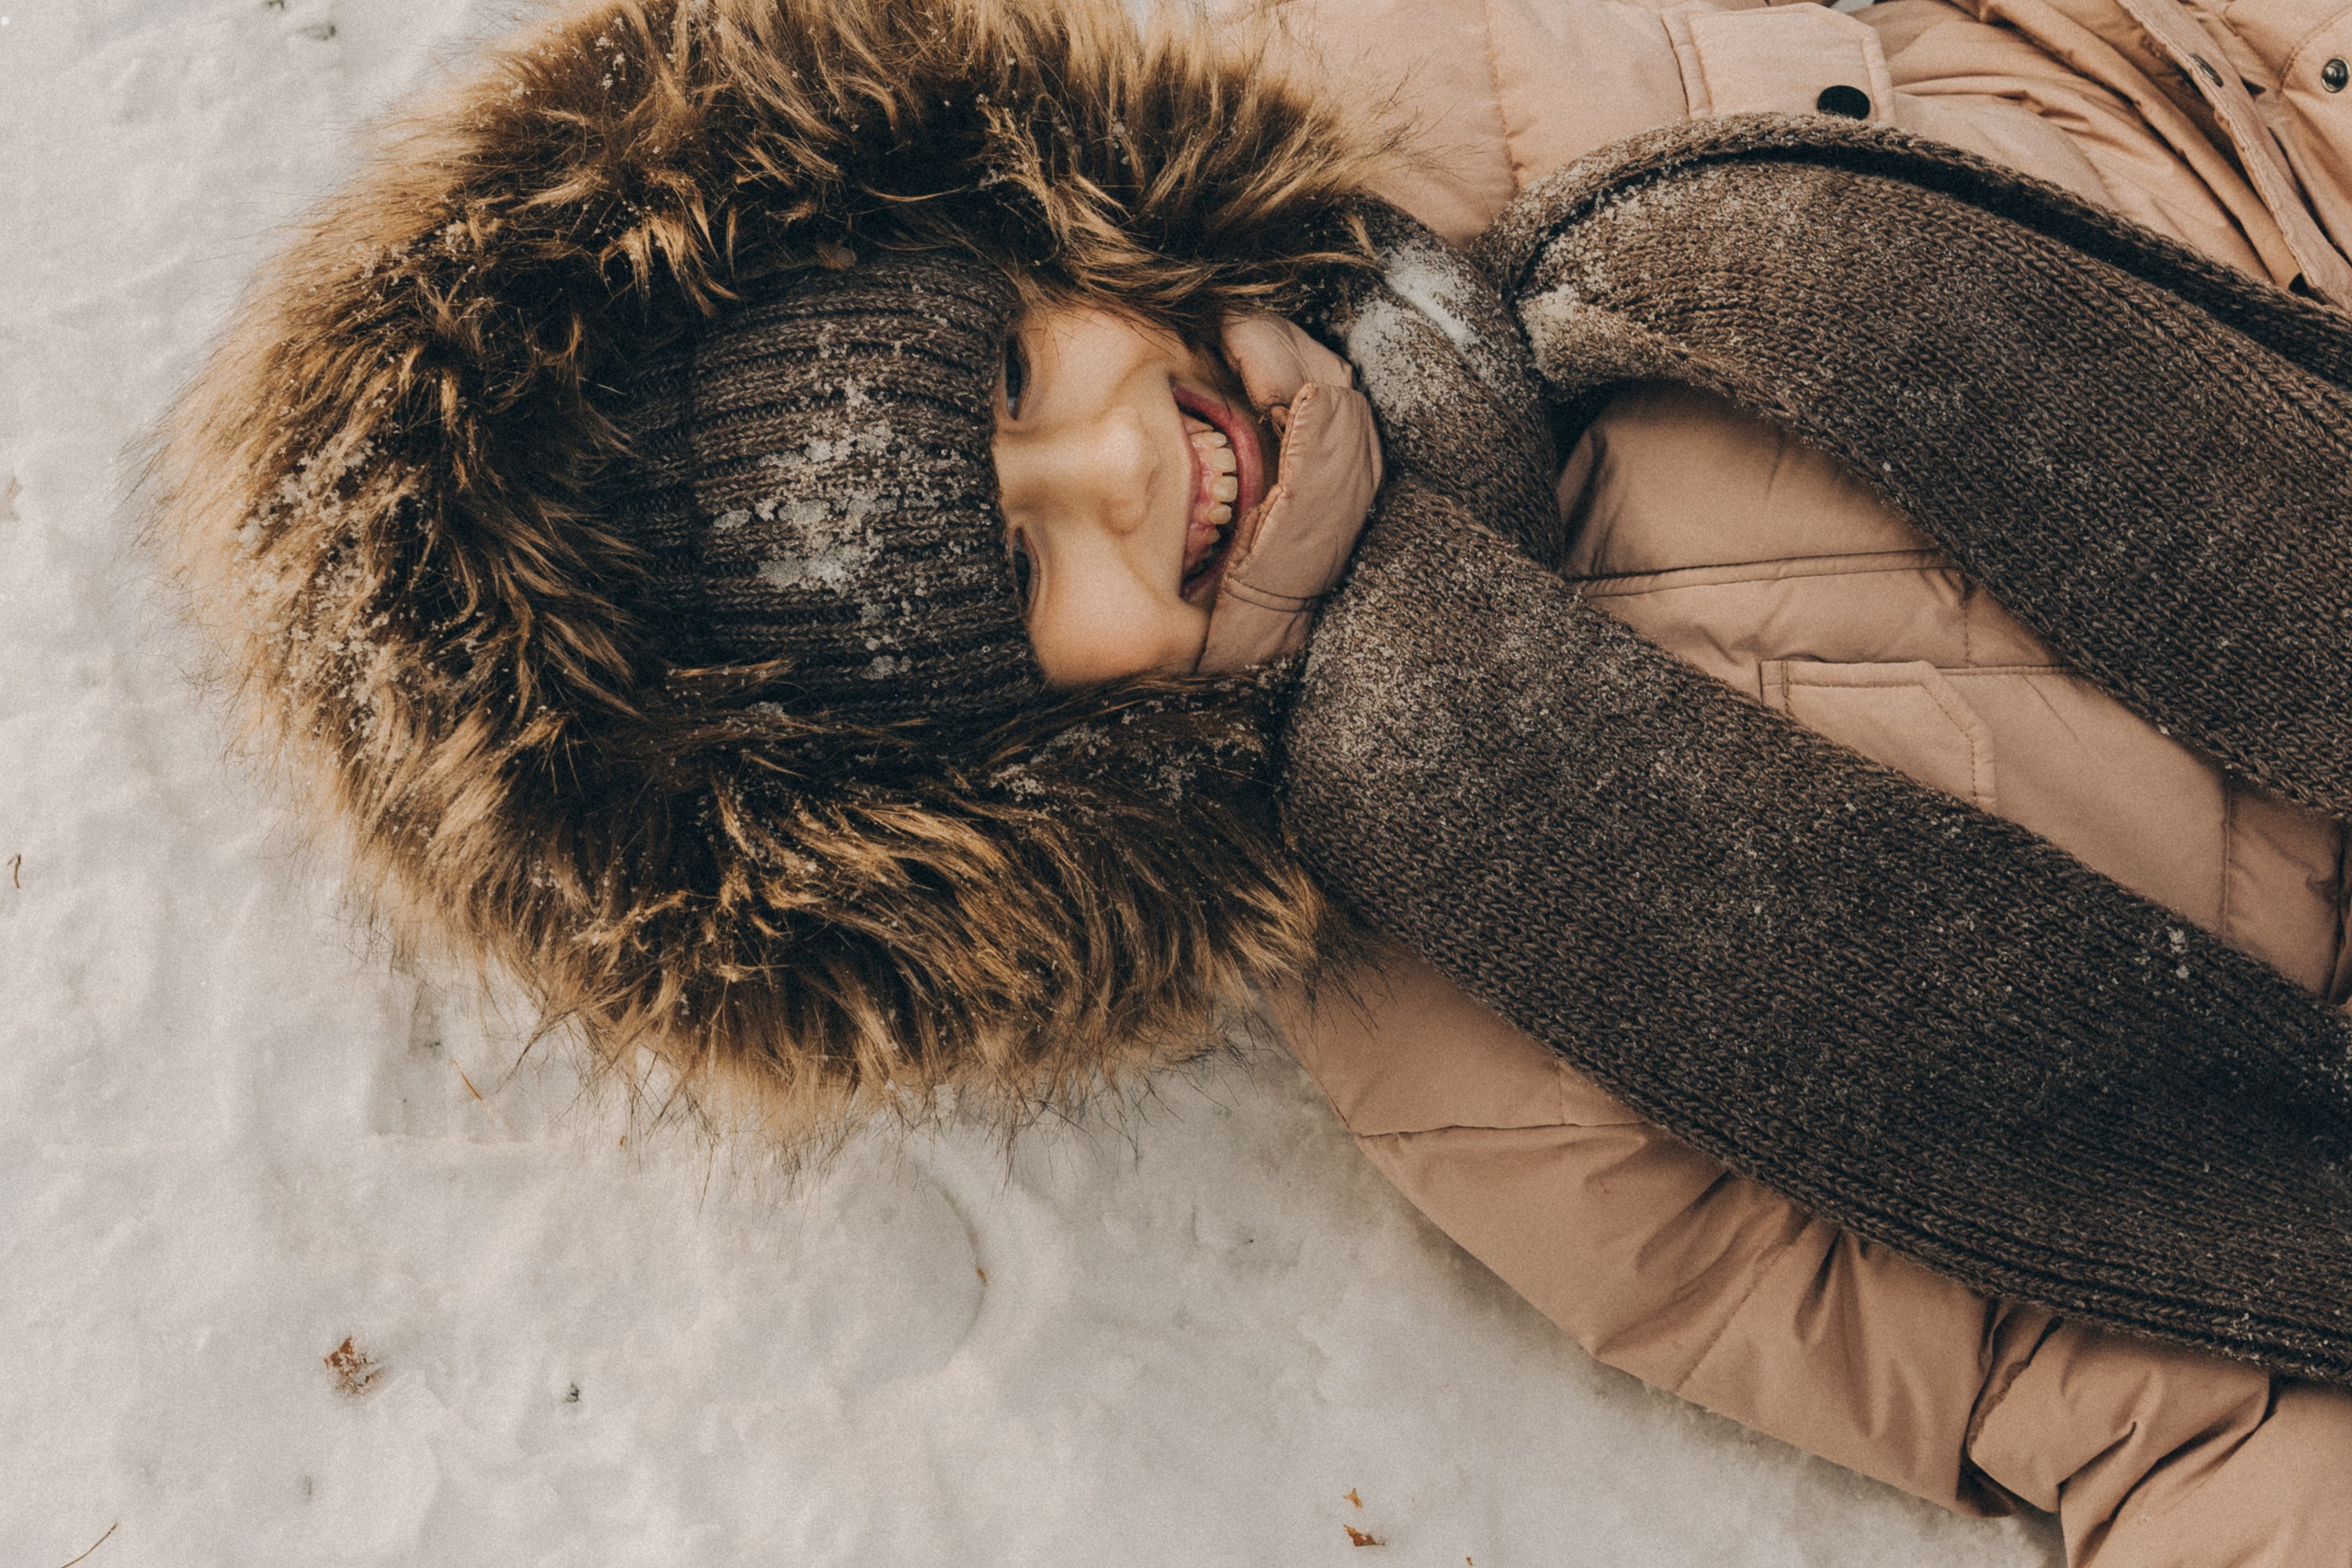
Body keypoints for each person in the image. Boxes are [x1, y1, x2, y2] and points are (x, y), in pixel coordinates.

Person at [154, 0, 2352, 1561]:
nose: (1121, 461)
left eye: (1013, 377)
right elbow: (2127, 1375)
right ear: (1012, 760)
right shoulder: (1472, 1038)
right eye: (1024, 568)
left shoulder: (1399, 81)